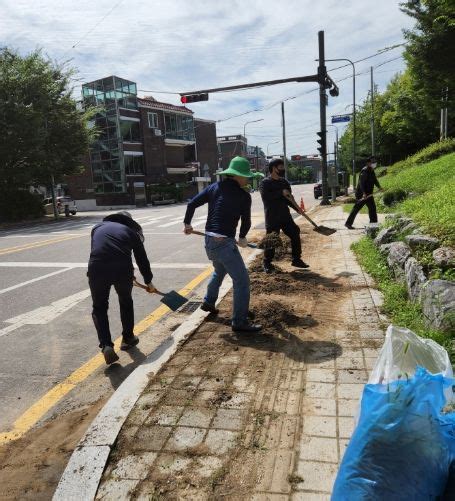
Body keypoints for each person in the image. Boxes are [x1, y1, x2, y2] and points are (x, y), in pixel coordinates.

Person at [183, 156, 263, 333]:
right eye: (246, 176)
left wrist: (187, 224)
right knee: (242, 281)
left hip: (209, 241)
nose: (247, 179)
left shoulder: (214, 187)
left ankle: (209, 302)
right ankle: (239, 321)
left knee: (219, 271)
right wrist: (242, 237)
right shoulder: (243, 196)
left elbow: (191, 204)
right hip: (224, 244)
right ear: (238, 176)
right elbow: (246, 221)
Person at [88, 211, 154, 365]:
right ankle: (127, 338)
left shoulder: (97, 227)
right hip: (122, 268)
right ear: (128, 222)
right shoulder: (131, 232)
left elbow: (100, 249)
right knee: (125, 301)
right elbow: (141, 259)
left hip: (96, 268)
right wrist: (149, 281)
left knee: (99, 307)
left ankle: (106, 345)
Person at [259, 158, 309, 273]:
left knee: (295, 232)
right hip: (272, 217)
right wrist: (280, 193)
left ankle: (296, 259)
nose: (283, 169)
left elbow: (289, 200)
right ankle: (267, 263)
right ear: (273, 169)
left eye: (283, 167)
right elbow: (266, 197)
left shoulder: (284, 182)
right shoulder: (265, 183)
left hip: (285, 216)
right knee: (272, 239)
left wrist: (298, 209)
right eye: (280, 167)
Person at [345, 156, 382, 229]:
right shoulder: (364, 171)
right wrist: (364, 193)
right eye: (373, 162)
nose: (374, 163)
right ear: (368, 163)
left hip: (369, 193)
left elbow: (375, 180)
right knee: (356, 208)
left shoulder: (371, 170)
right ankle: (348, 223)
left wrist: (379, 187)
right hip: (361, 194)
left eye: (375, 162)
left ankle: (373, 225)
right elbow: (361, 183)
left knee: (372, 208)